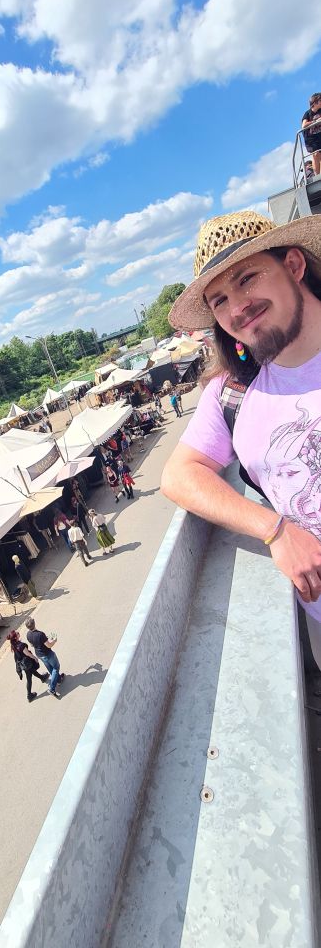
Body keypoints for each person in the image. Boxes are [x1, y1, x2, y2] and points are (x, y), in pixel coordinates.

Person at [161, 208, 321, 669]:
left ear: (293, 265)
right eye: (219, 300)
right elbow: (178, 476)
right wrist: (274, 530)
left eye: (248, 278)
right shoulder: (232, 395)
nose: (237, 307)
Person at [25, 616, 64, 698]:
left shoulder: (28, 635)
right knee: (56, 667)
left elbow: (32, 644)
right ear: (34, 623)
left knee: (50, 668)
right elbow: (49, 645)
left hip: (39, 655)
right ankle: (52, 688)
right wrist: (54, 640)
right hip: (47, 653)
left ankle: (58, 679)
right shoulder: (40, 634)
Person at [7, 630, 48, 703]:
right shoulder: (21, 645)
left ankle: (42, 678)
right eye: (17, 633)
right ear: (16, 637)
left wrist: (19, 642)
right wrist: (35, 658)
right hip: (27, 663)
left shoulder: (14, 645)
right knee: (29, 679)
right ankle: (29, 695)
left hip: (23, 664)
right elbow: (27, 654)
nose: (19, 632)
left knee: (33, 671)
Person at [302, 92, 321, 177]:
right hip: (311, 138)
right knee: (316, 154)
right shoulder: (307, 113)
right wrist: (315, 121)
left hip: (319, 136)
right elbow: (304, 125)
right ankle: (317, 176)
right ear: (315, 102)